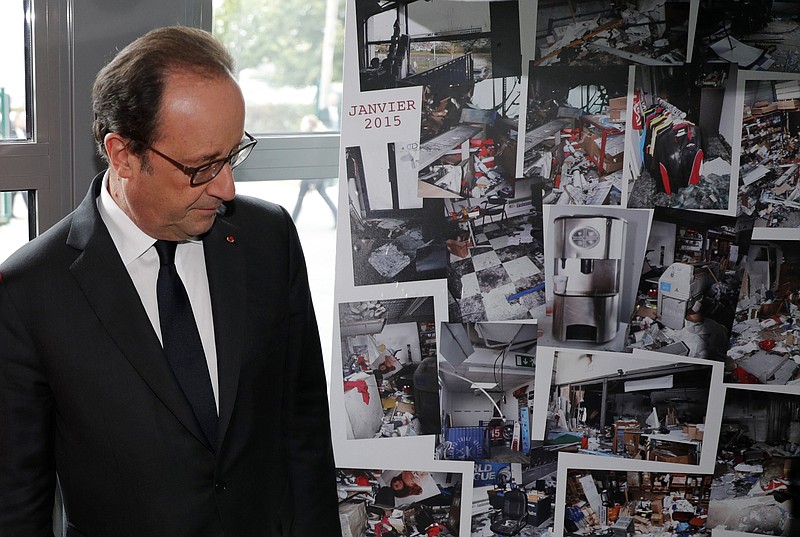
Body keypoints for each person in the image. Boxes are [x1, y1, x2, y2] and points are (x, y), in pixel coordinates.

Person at [0, 26, 340, 536]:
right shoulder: (29, 292)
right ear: (123, 155)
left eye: (233, 155)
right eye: (202, 167)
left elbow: (304, 429)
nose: (226, 188)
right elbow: (18, 508)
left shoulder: (267, 240)